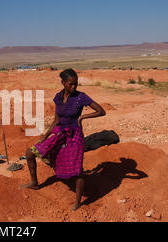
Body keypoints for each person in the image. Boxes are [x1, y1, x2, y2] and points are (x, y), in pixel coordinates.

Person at [20, 68, 106, 211]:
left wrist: (82, 117)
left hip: (75, 137)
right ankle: (34, 182)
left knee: (78, 171)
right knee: (30, 153)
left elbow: (101, 111)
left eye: (76, 84)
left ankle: (78, 202)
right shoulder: (58, 97)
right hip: (60, 133)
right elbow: (56, 120)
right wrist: (45, 136)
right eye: (71, 84)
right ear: (63, 83)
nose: (74, 87)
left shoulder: (81, 97)